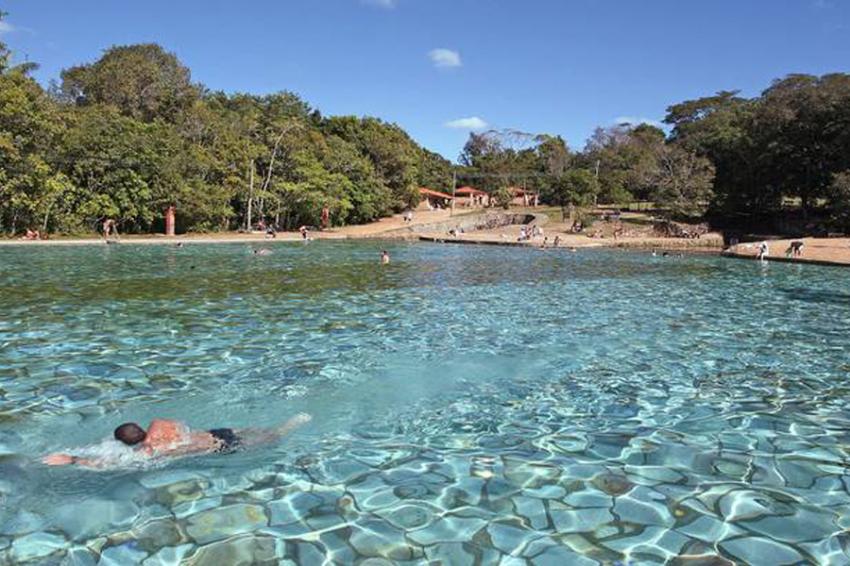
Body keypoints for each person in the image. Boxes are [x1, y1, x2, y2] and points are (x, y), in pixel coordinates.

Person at [42, 414, 311, 469]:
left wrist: (74, 459)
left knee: (275, 436)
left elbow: (108, 464)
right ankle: (290, 420)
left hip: (220, 447)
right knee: (260, 430)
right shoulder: (159, 424)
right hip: (217, 431)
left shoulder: (150, 451)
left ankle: (294, 423)